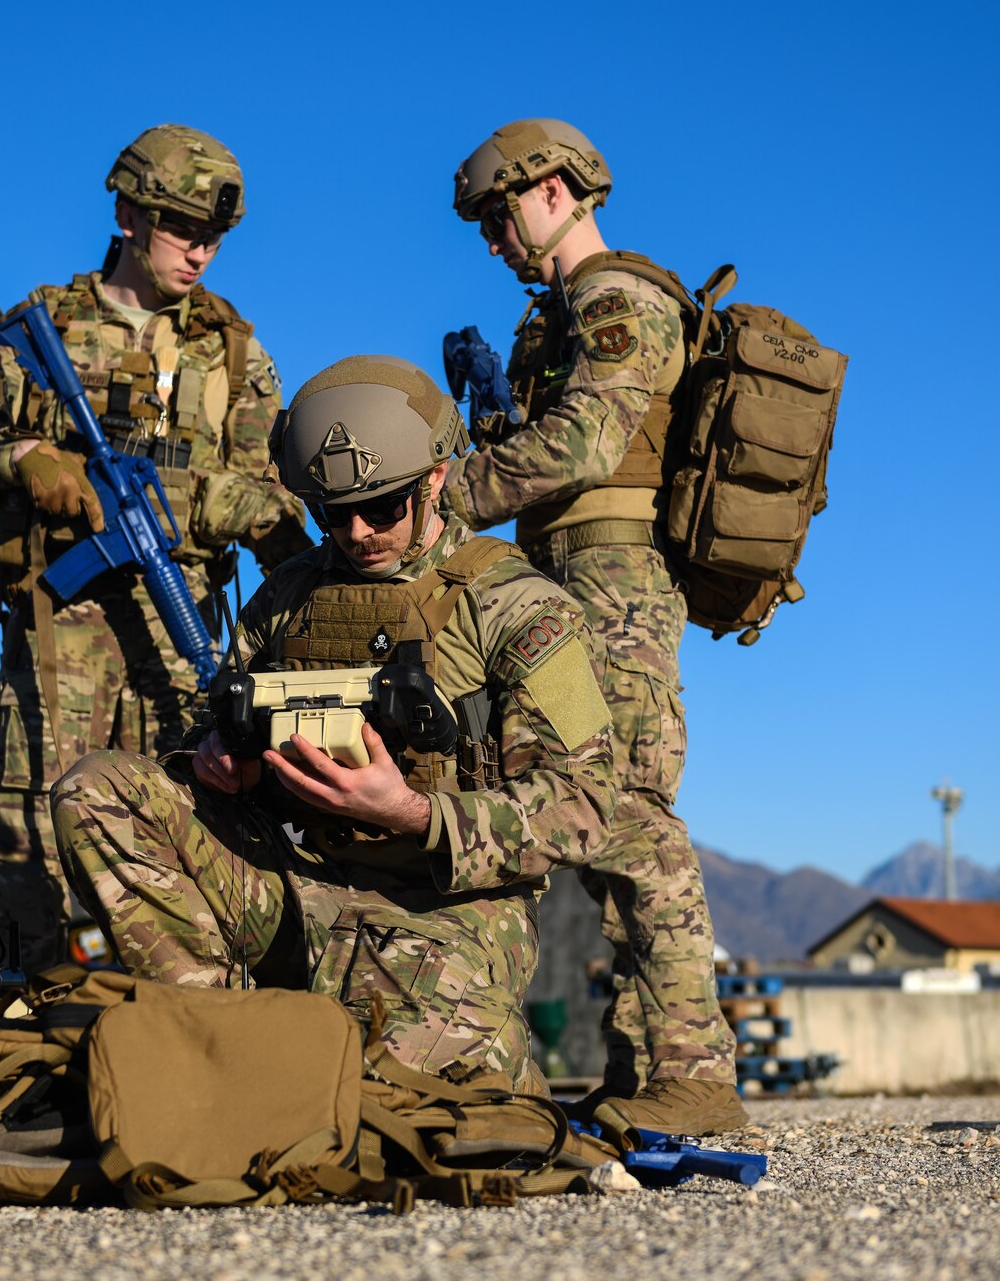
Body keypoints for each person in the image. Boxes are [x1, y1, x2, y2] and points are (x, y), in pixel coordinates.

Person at [51, 356, 619, 1084]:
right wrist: (221, 759)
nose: (355, 532)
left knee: (375, 1091)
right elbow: (212, 722)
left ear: (435, 479)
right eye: (331, 514)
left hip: (442, 911)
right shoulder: (285, 598)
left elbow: (586, 802)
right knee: (97, 791)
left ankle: (282, 1057)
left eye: (381, 507)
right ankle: (218, 1030)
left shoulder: (524, 606)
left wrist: (416, 813)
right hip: (294, 889)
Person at [0, 125, 309, 971]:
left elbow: (266, 492)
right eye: (184, 231)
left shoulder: (234, 355)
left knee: (180, 825)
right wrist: (26, 457)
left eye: (215, 238)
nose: (202, 254)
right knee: (24, 832)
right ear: (129, 214)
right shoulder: (45, 329)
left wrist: (215, 503)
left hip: (179, 636)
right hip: (58, 634)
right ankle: (28, 1029)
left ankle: (180, 1029)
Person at [441, 119, 747, 1135]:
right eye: (482, 225)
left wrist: (452, 493)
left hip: (612, 578)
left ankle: (693, 1071)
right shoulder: (558, 314)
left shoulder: (619, 297)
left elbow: (584, 440)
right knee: (565, 800)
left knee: (631, 816)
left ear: (559, 187)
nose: (494, 240)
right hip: (560, 578)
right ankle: (636, 1068)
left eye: (501, 214)